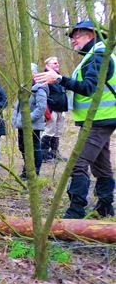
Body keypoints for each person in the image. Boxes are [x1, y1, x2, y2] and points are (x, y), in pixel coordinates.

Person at [35, 20, 115, 218]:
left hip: (100, 120)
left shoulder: (98, 56)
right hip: (98, 119)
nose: (72, 41)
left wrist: (60, 79)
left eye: (76, 36)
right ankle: (105, 206)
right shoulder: (95, 55)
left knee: (78, 163)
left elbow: (88, 89)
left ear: (91, 34)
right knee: (101, 163)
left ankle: (75, 212)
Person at [12, 64, 48, 178]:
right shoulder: (23, 88)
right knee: (22, 147)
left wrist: (28, 119)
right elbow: (18, 106)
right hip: (22, 124)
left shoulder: (40, 88)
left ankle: (34, 172)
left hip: (33, 125)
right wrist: (15, 119)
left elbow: (41, 108)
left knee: (34, 148)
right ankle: (27, 169)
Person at [40, 57, 68, 162]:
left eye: (58, 62)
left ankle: (54, 153)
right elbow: (41, 94)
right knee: (49, 130)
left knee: (58, 132)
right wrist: (46, 110)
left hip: (61, 109)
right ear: (47, 65)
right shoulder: (44, 77)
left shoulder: (59, 77)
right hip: (51, 109)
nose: (57, 64)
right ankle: (44, 154)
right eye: (54, 63)